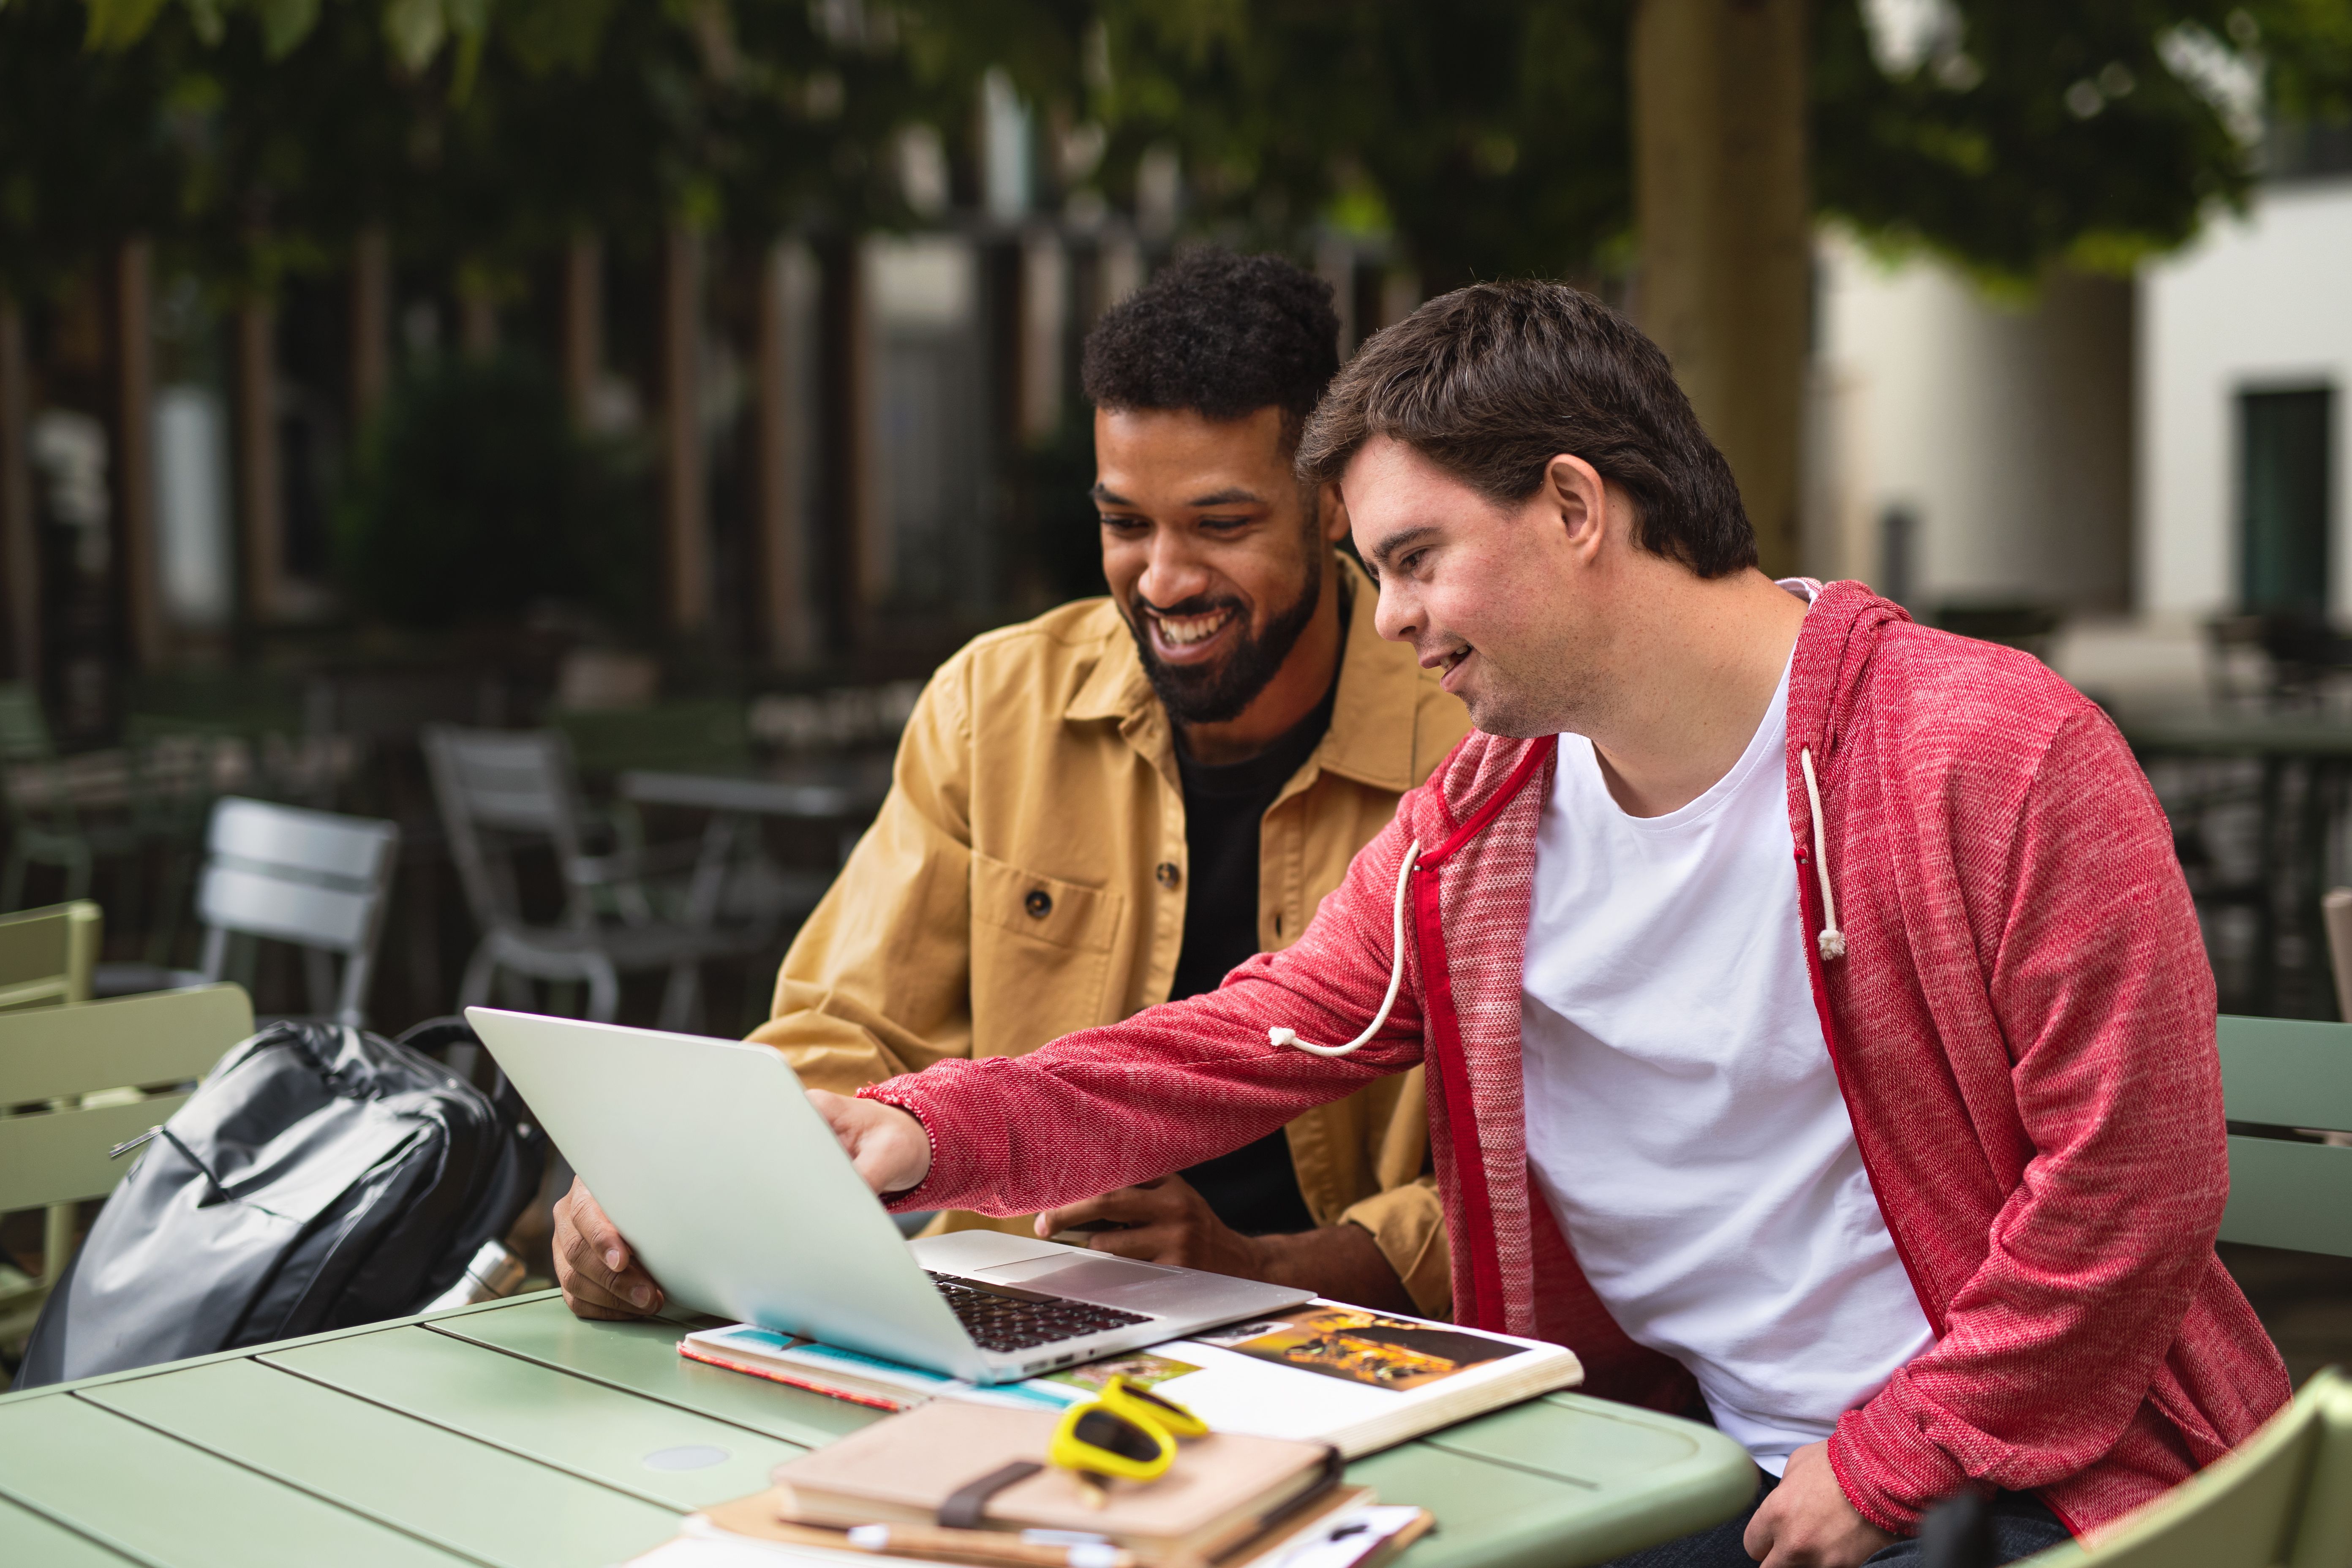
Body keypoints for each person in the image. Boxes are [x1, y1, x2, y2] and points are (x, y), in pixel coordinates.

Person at [791, 282, 2291, 1565]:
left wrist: (1889, 1454)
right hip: (1678, 1464)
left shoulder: (1988, 753)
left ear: (1574, 505)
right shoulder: (1485, 821)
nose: (1382, 617)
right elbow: (1245, 1036)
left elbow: (2129, 1188)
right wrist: (926, 1132)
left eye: (1413, 558)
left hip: (2028, 1482)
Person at [554, 250, 1469, 1323]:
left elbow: (1538, 1173)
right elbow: (843, 1028)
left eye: (1221, 526)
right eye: (1126, 525)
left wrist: (1265, 1270)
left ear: (1332, 505)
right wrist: (677, 1191)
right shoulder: (995, 705)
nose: (1164, 579)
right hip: (987, 1326)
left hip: (1343, 1351)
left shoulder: (1469, 743)